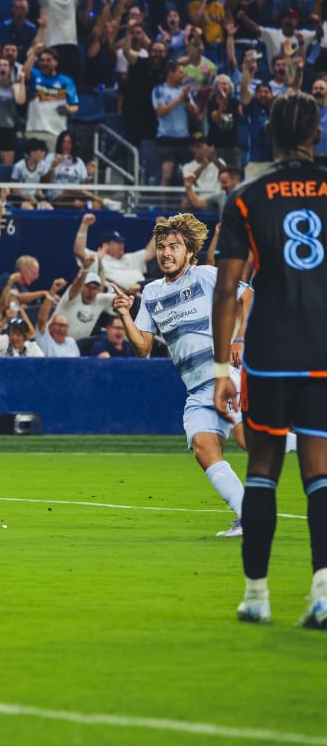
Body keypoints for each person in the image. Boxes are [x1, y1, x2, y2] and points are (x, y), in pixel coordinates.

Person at [213, 90, 327, 627]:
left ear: (273, 135)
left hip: (269, 352)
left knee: (262, 468)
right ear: (316, 135)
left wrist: (220, 369)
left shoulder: (245, 198)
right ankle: (323, 593)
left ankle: (256, 596)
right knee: (320, 473)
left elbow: (228, 288)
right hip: (324, 349)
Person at [113, 214, 250, 537]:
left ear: (189, 252)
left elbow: (247, 297)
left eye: (174, 246)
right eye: (162, 247)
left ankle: (313, 448)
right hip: (198, 389)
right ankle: (250, 514)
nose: (166, 252)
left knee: (249, 440)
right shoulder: (151, 293)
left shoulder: (204, 275)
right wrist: (124, 314)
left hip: (225, 375)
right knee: (204, 448)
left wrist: (240, 339)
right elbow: (143, 347)